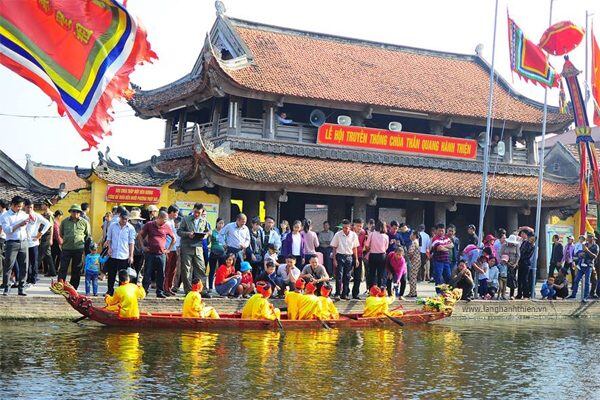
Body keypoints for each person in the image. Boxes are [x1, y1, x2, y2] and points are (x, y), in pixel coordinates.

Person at [138, 210, 175, 299]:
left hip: (161, 254)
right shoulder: (149, 224)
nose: (165, 222)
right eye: (164, 220)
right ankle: (144, 291)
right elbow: (140, 235)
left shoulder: (166, 227)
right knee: (147, 273)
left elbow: (174, 239)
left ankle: (160, 292)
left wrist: (168, 249)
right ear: (159, 218)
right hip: (150, 253)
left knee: (161, 274)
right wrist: (143, 246)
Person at [177, 203, 209, 295]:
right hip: (187, 247)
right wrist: (188, 234)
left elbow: (208, 231)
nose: (197, 214)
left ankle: (202, 290)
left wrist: (205, 235)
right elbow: (179, 232)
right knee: (186, 270)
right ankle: (188, 291)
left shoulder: (203, 221)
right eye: (195, 212)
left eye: (199, 213)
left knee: (201, 269)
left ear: (202, 212)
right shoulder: (185, 219)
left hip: (198, 247)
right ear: (193, 210)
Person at [58, 204, 91, 290]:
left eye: (77, 211)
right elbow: (61, 234)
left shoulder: (84, 222)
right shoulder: (64, 222)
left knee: (76, 269)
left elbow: (87, 235)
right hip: (66, 248)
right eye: (73, 211)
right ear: (70, 212)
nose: (75, 213)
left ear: (80, 213)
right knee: (63, 268)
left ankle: (73, 287)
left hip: (78, 249)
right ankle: (60, 286)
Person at [1, 196, 30, 296]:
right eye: (18, 206)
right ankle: (6, 287)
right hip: (11, 243)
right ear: (12, 205)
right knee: (8, 266)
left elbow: (28, 226)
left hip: (24, 242)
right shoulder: (5, 216)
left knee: (24, 266)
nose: (20, 208)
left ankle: (21, 288)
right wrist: (19, 224)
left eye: (21, 206)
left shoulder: (23, 214)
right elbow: (7, 230)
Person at [104, 210, 136, 296]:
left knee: (122, 276)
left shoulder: (131, 228)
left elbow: (131, 242)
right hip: (113, 254)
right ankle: (110, 291)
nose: (124, 220)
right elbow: (109, 238)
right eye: (123, 218)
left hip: (124, 255)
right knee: (111, 274)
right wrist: (109, 248)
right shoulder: (113, 226)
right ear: (120, 217)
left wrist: (131, 256)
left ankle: (121, 292)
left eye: (126, 219)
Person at [23, 199, 51, 285]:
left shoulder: (37, 216)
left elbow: (48, 224)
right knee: (25, 262)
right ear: (25, 207)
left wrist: (40, 234)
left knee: (34, 261)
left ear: (33, 207)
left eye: (31, 207)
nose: (29, 209)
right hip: (23, 242)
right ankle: (27, 278)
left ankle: (33, 278)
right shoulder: (22, 215)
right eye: (28, 207)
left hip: (33, 242)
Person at [331, 219, 359, 300]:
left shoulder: (353, 235)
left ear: (350, 227)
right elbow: (334, 247)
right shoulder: (337, 234)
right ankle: (337, 293)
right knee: (339, 275)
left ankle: (345, 294)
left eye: (347, 228)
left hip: (349, 256)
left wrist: (356, 259)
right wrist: (334, 259)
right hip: (340, 256)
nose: (345, 229)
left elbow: (355, 248)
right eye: (343, 227)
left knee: (347, 276)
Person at [568, 233, 599, 302]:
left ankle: (586, 296)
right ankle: (573, 294)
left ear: (592, 238)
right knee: (576, 280)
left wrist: (587, 250)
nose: (587, 239)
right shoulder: (585, 244)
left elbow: (594, 256)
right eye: (587, 237)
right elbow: (579, 253)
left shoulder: (595, 246)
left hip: (589, 266)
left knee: (587, 282)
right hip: (581, 265)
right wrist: (580, 254)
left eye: (588, 237)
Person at [365, 220, 389, 289]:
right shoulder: (386, 236)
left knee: (372, 273)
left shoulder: (372, 234)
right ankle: (380, 289)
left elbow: (367, 245)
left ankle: (371, 289)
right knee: (381, 274)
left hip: (373, 255)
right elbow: (386, 247)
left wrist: (369, 249)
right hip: (382, 256)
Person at [162, 205, 180, 296]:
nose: (177, 215)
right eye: (176, 213)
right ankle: (165, 288)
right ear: (172, 212)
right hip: (167, 249)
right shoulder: (166, 222)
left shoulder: (172, 221)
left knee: (173, 269)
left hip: (174, 248)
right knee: (167, 270)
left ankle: (169, 287)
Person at [430, 223, 453, 293]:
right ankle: (439, 293)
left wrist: (444, 246)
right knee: (438, 277)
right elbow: (439, 248)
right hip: (438, 261)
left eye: (442, 231)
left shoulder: (446, 237)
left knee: (448, 277)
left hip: (446, 261)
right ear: (436, 231)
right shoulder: (434, 238)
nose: (441, 232)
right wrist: (447, 247)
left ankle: (447, 292)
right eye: (439, 231)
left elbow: (452, 245)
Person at [38, 200, 55, 277]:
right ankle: (52, 271)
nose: (41, 206)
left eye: (43, 204)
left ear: (47, 205)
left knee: (40, 254)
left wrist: (51, 238)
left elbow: (51, 227)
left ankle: (33, 270)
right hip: (43, 235)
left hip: (47, 235)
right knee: (48, 254)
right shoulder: (43, 214)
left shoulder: (50, 215)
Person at [500, 234, 520, 299]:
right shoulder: (504, 246)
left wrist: (515, 263)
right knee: (504, 279)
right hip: (505, 264)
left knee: (513, 280)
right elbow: (500, 254)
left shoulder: (516, 246)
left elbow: (518, 255)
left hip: (513, 265)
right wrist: (505, 261)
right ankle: (503, 294)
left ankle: (512, 294)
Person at [208, 218, 226, 292]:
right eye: (219, 223)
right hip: (214, 252)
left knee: (221, 270)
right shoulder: (212, 232)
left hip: (222, 254)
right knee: (212, 270)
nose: (221, 225)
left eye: (222, 223)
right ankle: (210, 287)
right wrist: (209, 235)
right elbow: (208, 241)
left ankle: (220, 286)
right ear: (216, 223)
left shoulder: (224, 232)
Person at [516, 229, 535, 299]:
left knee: (525, 280)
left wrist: (521, 257)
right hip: (521, 262)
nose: (530, 238)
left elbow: (528, 255)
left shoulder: (532, 245)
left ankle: (526, 295)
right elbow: (520, 251)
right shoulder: (524, 242)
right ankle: (519, 294)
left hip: (526, 263)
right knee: (519, 279)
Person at [351, 218, 367, 300]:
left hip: (359, 255)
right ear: (354, 225)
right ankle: (345, 292)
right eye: (358, 226)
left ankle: (355, 294)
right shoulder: (349, 232)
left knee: (358, 276)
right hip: (350, 254)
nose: (359, 228)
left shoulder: (363, 232)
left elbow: (363, 244)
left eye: (361, 226)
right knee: (346, 275)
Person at [129, 209, 146, 282]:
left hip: (139, 251)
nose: (136, 221)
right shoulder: (128, 226)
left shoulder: (142, 226)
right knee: (129, 270)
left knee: (137, 270)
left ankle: (134, 284)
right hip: (129, 251)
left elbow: (145, 237)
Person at [407, 230, 421, 297]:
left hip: (414, 261)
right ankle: (413, 292)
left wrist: (409, 258)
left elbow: (410, 252)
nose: (410, 236)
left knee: (412, 277)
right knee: (414, 277)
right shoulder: (417, 241)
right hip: (417, 261)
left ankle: (412, 293)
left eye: (411, 234)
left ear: (414, 235)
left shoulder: (413, 242)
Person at [50, 209, 63, 276]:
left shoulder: (55, 222)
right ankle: (54, 269)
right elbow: (57, 234)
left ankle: (54, 269)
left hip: (55, 241)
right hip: (56, 241)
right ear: (58, 215)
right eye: (61, 216)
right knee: (58, 256)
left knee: (54, 256)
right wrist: (61, 242)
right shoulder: (55, 223)